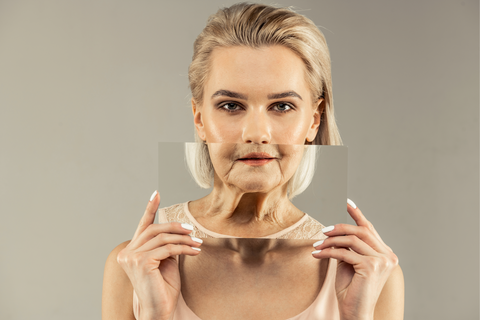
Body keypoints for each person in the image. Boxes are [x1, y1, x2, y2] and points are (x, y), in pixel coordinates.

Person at [102, 2, 404, 320]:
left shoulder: (369, 274)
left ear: (313, 121)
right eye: (231, 105)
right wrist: (154, 314)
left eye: (282, 106)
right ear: (199, 118)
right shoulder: (133, 267)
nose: (257, 133)